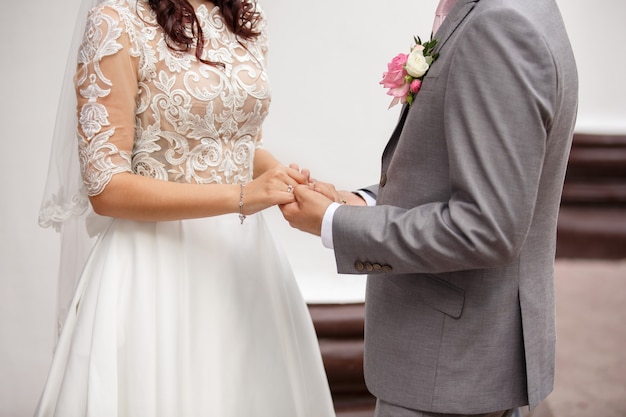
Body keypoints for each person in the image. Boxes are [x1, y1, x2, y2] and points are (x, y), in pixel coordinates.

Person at [34, 0, 336, 416]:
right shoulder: (116, 19)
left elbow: (233, 143)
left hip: (246, 262)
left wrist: (287, 179)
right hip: (155, 266)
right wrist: (246, 196)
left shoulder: (245, 14)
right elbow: (106, 188)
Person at [281, 0, 578, 416]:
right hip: (463, 355)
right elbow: (474, 180)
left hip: (451, 363)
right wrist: (363, 202)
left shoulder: (500, 27)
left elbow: (485, 227)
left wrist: (336, 223)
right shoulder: (521, 9)